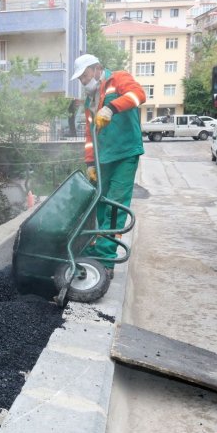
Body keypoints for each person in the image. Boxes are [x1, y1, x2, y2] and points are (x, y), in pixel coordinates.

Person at [70, 54, 146, 279]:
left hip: (125, 154)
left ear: (97, 69)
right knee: (101, 203)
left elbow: (139, 95)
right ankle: (100, 246)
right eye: (81, 79)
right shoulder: (89, 101)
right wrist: (90, 163)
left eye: (85, 76)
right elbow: (89, 136)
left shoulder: (119, 79)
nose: (83, 81)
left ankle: (106, 258)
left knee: (115, 204)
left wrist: (111, 108)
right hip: (104, 158)